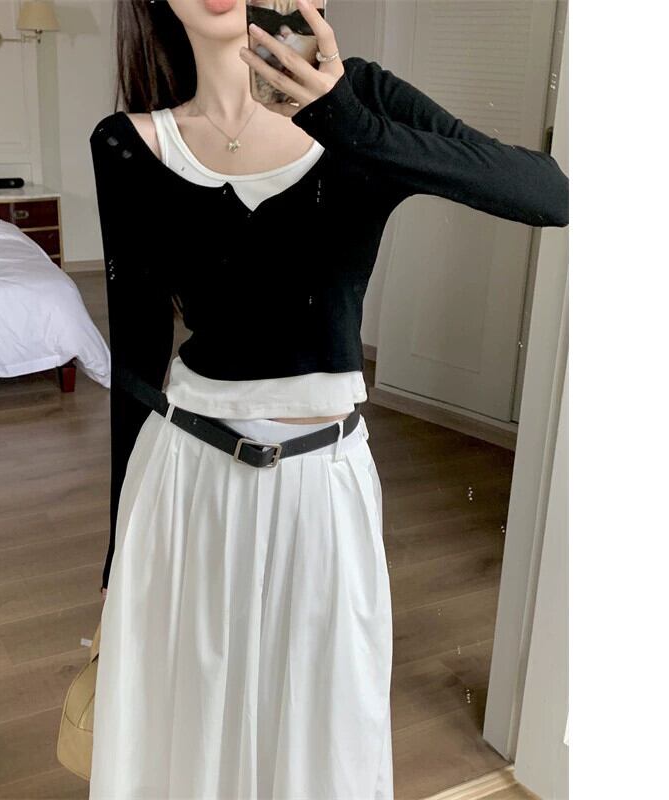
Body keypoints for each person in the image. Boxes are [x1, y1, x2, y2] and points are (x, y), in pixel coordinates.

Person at [87, 1, 569, 798]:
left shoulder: (360, 98)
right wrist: (116, 559)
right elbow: (136, 360)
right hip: (184, 485)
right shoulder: (127, 143)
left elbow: (549, 194)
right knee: (185, 734)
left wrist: (345, 120)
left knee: (324, 734)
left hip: (324, 484)